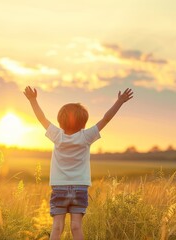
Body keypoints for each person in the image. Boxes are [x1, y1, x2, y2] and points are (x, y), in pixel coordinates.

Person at [24, 86, 134, 240]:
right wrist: (119, 101)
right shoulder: (86, 136)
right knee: (76, 226)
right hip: (80, 187)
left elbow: (41, 118)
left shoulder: (57, 135)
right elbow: (106, 119)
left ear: (60, 122)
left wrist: (33, 100)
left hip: (59, 187)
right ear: (83, 123)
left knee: (57, 227)